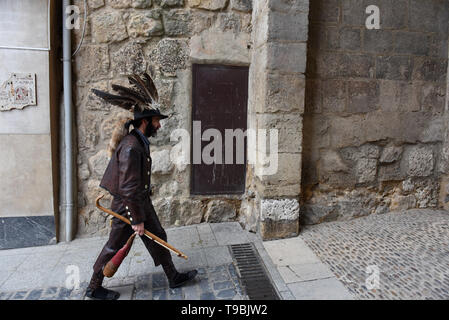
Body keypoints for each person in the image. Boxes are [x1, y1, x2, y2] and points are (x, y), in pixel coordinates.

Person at [85, 73, 197, 300]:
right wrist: (136, 220)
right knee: (114, 246)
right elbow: (127, 189)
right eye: (156, 121)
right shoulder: (131, 147)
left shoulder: (139, 142)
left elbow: (134, 185)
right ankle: (94, 286)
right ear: (144, 122)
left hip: (139, 201)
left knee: (158, 235)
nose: (159, 125)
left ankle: (172, 276)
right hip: (127, 205)